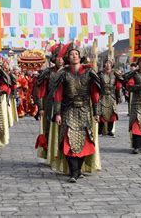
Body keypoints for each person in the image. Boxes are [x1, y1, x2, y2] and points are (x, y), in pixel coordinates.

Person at [53, 44, 101, 183]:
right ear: (68, 57)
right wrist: (57, 113)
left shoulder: (89, 72)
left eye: (76, 54)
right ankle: (73, 172)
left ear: (80, 57)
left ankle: (78, 170)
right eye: (71, 54)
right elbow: (58, 94)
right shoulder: (63, 73)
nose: (74, 56)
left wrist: (96, 112)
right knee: (67, 140)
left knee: (85, 141)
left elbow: (95, 93)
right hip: (68, 109)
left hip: (85, 109)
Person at [97, 59, 122, 137]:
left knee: (112, 113)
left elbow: (118, 86)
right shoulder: (100, 74)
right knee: (101, 113)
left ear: (111, 65)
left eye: (109, 64)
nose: (108, 65)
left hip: (111, 95)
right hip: (102, 95)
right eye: (106, 63)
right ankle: (99, 131)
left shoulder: (115, 74)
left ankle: (110, 130)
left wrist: (119, 96)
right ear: (104, 65)